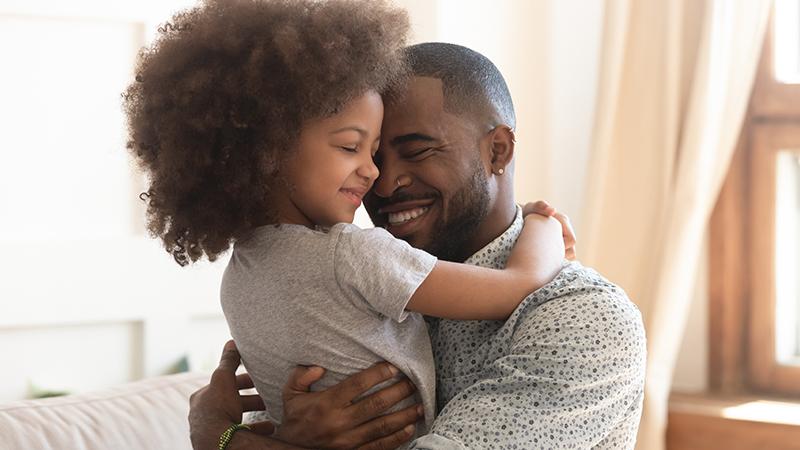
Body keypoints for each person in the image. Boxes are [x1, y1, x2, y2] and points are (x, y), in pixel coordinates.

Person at [124, 1, 576, 448]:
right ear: (269, 150)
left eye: (376, 151)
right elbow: (522, 283)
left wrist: (220, 439)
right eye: (351, 148)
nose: (376, 174)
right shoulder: (355, 255)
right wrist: (543, 223)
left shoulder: (238, 279)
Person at [188, 43, 646, 449]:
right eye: (366, 154)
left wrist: (217, 436)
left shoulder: (585, 319)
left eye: (418, 150)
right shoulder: (338, 281)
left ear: (498, 151)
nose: (382, 182)